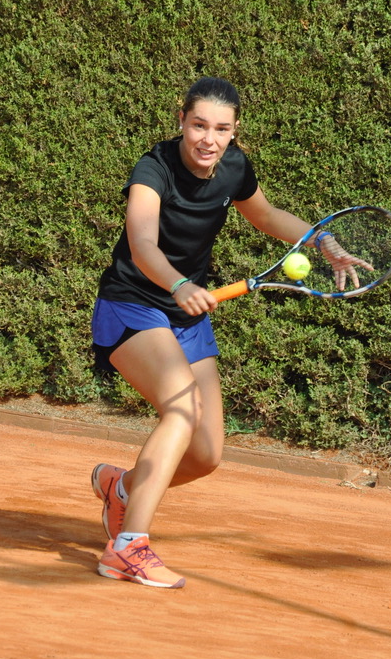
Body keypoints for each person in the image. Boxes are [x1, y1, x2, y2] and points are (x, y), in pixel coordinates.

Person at [89, 76, 344, 589]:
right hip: (133, 305)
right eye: (199, 125)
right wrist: (179, 283)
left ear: (234, 133)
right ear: (181, 121)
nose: (209, 138)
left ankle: (122, 489)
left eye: (221, 129)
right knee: (181, 410)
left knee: (205, 454)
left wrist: (325, 243)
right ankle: (127, 547)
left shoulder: (234, 168)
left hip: (187, 316)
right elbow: (142, 243)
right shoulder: (152, 170)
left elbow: (267, 215)